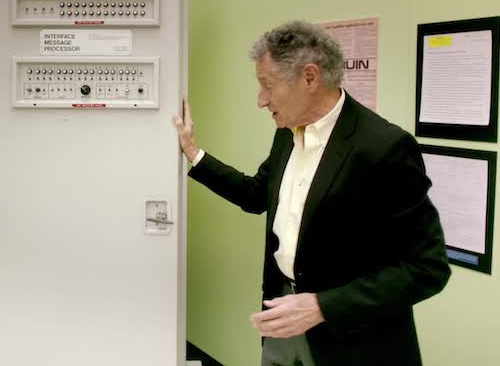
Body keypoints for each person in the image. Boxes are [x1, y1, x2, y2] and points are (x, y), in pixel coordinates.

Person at [172, 20, 450, 366]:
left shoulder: (383, 147)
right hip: (282, 315)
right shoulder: (287, 132)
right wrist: (194, 154)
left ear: (309, 77)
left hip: (351, 340)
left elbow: (427, 268)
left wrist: (321, 307)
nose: (261, 100)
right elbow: (256, 195)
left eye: (267, 85)